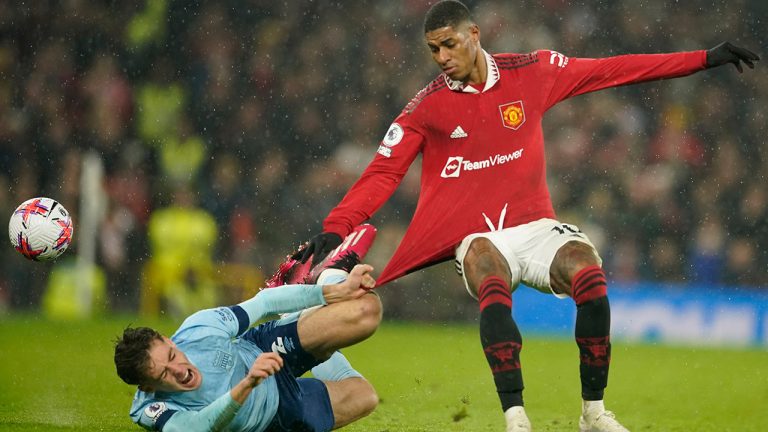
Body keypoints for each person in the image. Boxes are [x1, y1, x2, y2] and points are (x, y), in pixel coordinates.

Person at [292, 2, 760, 431]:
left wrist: (703, 58)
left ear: (474, 34)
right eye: (433, 49)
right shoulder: (426, 106)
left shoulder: (532, 71)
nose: (441, 56)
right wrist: (337, 226)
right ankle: (517, 419)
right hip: (475, 237)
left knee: (591, 278)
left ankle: (592, 413)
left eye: (449, 43)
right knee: (491, 281)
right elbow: (382, 171)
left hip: (536, 227)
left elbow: (614, 70)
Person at [114, 229, 382, 432]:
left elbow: (263, 302)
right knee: (366, 397)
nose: (179, 370)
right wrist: (248, 383)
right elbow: (199, 427)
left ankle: (328, 276)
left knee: (365, 312)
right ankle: (305, 321)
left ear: (168, 340)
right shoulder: (149, 410)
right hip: (275, 414)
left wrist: (337, 292)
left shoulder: (198, 330)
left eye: (172, 356)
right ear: (148, 386)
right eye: (164, 374)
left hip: (264, 349)